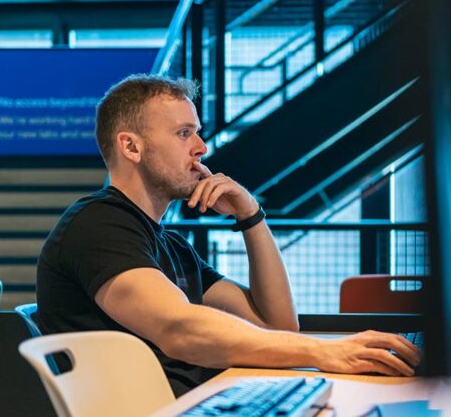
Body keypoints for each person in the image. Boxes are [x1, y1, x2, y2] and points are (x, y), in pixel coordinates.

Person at [36, 74, 420, 396]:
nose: (201, 148)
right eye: (184, 133)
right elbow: (179, 328)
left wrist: (251, 216)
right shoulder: (97, 224)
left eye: (197, 133)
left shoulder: (170, 246)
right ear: (131, 146)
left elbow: (279, 325)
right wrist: (325, 351)